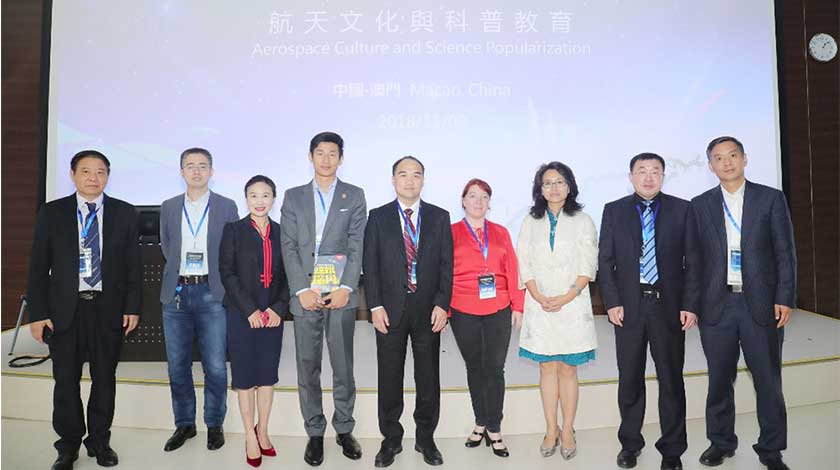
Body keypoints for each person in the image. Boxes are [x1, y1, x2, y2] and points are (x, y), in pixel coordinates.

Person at [684, 136, 795, 470]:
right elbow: (694, 261)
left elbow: (785, 253)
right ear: (710, 166)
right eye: (719, 158)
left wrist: (784, 297)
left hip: (760, 304)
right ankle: (721, 443)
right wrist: (691, 304)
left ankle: (771, 449)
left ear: (744, 159)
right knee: (719, 380)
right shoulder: (699, 204)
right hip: (716, 306)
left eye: (732, 155)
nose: (727, 162)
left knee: (768, 381)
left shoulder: (770, 198)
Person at [27, 150, 142, 470]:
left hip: (107, 308)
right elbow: (38, 267)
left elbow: (133, 266)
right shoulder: (52, 213)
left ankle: (100, 441)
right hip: (65, 310)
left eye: (101, 172)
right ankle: (68, 446)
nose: (94, 178)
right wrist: (38, 313)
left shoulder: (124, 212)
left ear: (108, 176)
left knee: (104, 378)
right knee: (65, 381)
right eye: (86, 171)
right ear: (73, 174)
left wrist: (132, 307)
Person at [598, 153, 696, 470]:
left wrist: (689, 304)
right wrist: (612, 302)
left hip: (668, 307)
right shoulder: (614, 211)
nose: (649, 177)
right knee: (629, 379)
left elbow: (694, 262)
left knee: (671, 379)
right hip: (628, 308)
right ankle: (630, 444)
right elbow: (605, 261)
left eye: (655, 171)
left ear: (663, 176)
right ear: (631, 177)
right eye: (642, 171)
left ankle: (672, 450)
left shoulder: (682, 209)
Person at [279, 131, 366, 466]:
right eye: (320, 153)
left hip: (340, 293)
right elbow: (288, 246)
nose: (326, 159)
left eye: (332, 153)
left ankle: (344, 428)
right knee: (308, 366)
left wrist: (347, 288)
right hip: (305, 294)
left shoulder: (354, 195)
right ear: (310, 156)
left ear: (341, 158)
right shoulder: (294, 196)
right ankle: (315, 432)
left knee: (343, 365)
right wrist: (302, 289)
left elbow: (357, 244)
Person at [363, 156, 453, 468]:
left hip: (428, 309)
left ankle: (426, 438)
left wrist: (443, 304)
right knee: (389, 377)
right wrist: (374, 305)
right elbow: (370, 264)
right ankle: (391, 439)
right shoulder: (378, 216)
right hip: (389, 310)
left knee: (428, 376)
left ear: (423, 180)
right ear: (393, 180)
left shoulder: (440, 217)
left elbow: (447, 266)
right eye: (403, 175)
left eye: (416, 175)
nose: (410, 181)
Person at [159, 148, 239, 453]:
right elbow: (168, 246)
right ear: (181, 172)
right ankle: (185, 424)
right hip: (176, 295)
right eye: (190, 166)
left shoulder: (226, 206)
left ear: (211, 172)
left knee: (215, 366)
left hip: (211, 292)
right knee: (177, 366)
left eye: (202, 166)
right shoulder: (168, 206)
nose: (196, 171)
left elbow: (231, 250)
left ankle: (214, 423)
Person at [517, 161, 597, 461]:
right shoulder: (530, 221)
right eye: (548, 182)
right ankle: (551, 429)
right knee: (547, 367)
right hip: (539, 304)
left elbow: (588, 265)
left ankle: (568, 430)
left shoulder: (583, 220)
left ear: (570, 186)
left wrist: (566, 296)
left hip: (572, 304)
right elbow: (523, 261)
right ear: (540, 189)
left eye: (560, 182)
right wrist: (538, 295)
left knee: (567, 368)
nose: (554, 187)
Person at [449, 178, 524, 458]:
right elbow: (442, 274)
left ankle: (494, 427)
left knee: (494, 368)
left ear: (489, 202)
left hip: (499, 308)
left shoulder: (501, 232)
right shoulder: (451, 232)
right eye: (472, 196)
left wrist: (518, 305)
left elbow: (512, 269)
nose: (478, 201)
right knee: (474, 367)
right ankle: (480, 421)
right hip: (462, 309)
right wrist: (443, 309)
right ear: (463, 201)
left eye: (483, 197)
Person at [219, 175, 290, 468]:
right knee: (245, 376)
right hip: (242, 314)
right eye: (253, 195)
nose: (259, 201)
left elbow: (290, 275)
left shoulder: (283, 232)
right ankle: (250, 433)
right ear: (246, 198)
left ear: (274, 199)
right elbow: (227, 272)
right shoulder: (233, 230)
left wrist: (278, 308)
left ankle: (263, 429)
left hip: (273, 316)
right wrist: (249, 310)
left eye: (265, 195)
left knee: (267, 375)